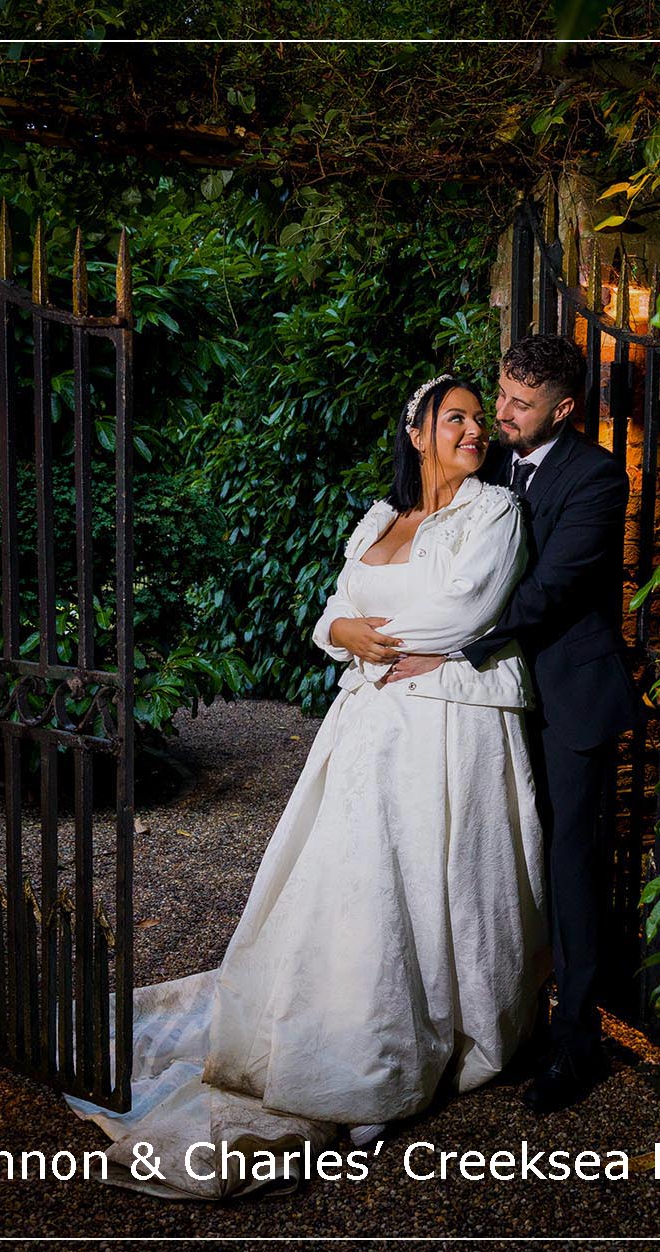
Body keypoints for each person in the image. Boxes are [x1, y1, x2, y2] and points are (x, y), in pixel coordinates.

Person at [68, 374, 549, 1198]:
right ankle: (333, 1014)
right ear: (418, 432)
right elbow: (330, 608)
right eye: (457, 418)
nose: (476, 430)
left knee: (438, 878)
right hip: (369, 719)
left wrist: (367, 639)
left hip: (446, 720)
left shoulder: (495, 513)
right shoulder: (380, 517)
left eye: (481, 418)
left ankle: (430, 1026)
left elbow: (463, 612)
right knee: (348, 875)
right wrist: (343, 632)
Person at [384, 334, 638, 1115]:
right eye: (499, 396)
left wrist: (449, 648)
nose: (499, 415)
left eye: (520, 404)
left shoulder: (597, 477)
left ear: (564, 409)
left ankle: (577, 1039)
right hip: (493, 697)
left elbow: (550, 590)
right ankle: (504, 1012)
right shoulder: (487, 463)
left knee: (567, 861)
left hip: (567, 694)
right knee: (497, 853)